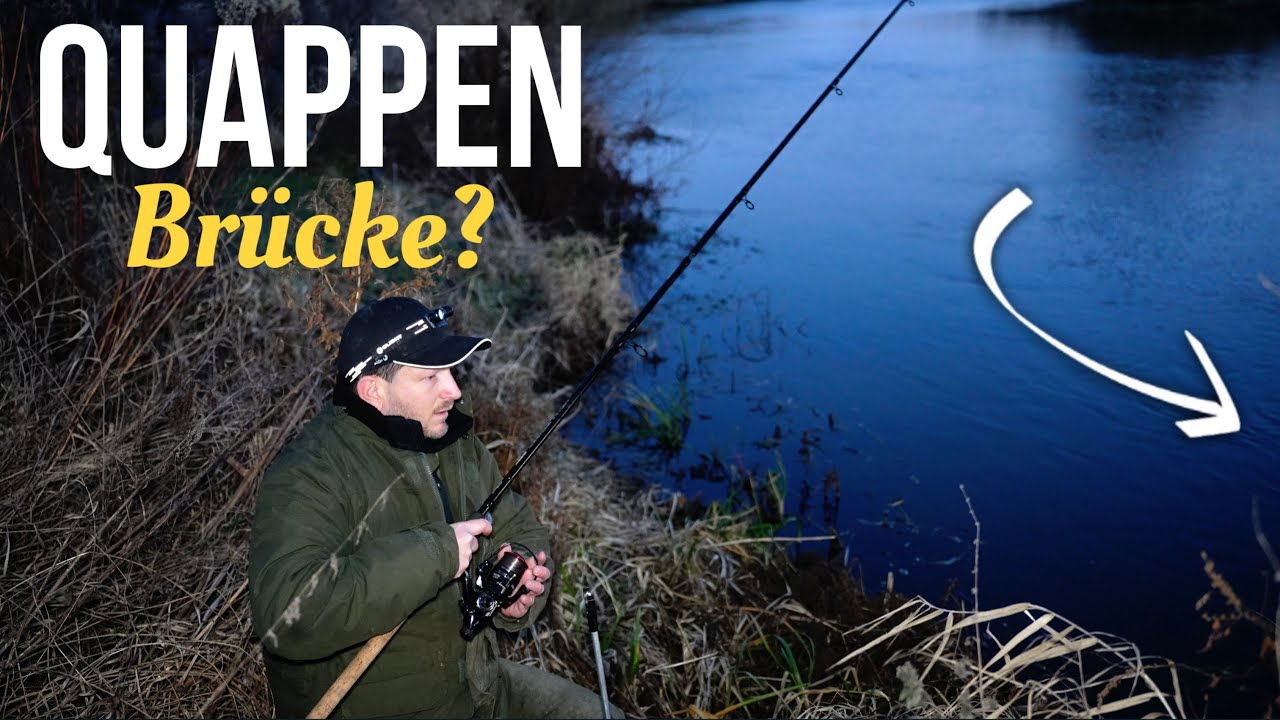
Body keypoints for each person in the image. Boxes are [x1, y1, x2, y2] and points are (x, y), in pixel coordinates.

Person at [248, 297, 622, 718]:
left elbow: (517, 523)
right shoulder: (309, 473)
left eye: (450, 370)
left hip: (481, 690)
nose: (455, 390)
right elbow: (288, 616)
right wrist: (436, 553)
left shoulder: (452, 440)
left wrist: (516, 586)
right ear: (373, 389)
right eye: (430, 377)